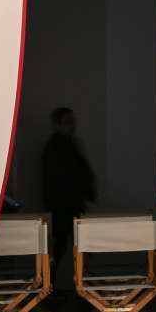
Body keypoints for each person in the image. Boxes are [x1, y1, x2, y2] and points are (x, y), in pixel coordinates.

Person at [41, 106, 97, 269]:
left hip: (69, 204)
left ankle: (75, 278)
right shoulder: (56, 147)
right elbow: (61, 178)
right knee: (65, 244)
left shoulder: (69, 144)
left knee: (71, 244)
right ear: (57, 124)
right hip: (63, 206)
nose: (72, 125)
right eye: (68, 121)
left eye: (73, 121)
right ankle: (54, 279)